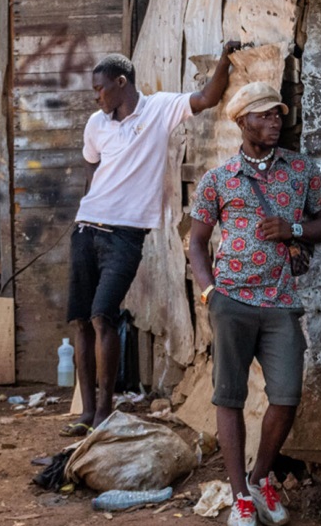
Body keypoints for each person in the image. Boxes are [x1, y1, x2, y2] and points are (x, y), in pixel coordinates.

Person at [64, 43, 239, 438]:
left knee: (102, 314)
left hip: (125, 236)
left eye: (101, 88)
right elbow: (92, 167)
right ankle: (86, 411)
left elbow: (208, 97)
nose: (97, 96)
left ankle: (105, 411)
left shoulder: (160, 108)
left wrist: (226, 60)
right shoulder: (97, 123)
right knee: (81, 321)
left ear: (121, 82)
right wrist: (92, 206)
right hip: (86, 228)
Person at [188, 82, 321, 526]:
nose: (275, 122)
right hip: (232, 299)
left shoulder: (300, 170)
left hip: (280, 302)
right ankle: (241, 500)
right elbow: (196, 242)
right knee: (228, 397)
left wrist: (292, 227)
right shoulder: (219, 179)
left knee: (286, 396)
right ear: (243, 121)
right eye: (265, 116)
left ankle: (259, 479)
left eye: (278, 115)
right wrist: (210, 293)